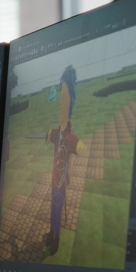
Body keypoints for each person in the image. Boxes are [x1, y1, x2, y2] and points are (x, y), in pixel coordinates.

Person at [44, 66, 84, 256]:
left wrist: (79, 145)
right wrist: (46, 135)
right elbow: (49, 135)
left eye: (65, 100)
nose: (61, 104)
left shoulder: (68, 135)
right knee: (53, 207)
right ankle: (51, 233)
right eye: (61, 99)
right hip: (54, 178)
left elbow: (78, 146)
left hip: (61, 181)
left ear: (70, 104)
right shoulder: (57, 132)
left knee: (58, 209)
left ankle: (57, 239)